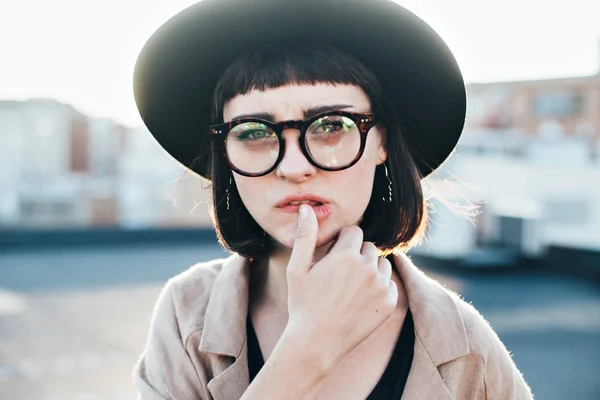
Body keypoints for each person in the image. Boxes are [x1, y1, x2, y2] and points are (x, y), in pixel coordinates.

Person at [131, 0, 534, 399]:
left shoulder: (468, 352)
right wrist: (308, 349)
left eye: (331, 126)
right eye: (253, 132)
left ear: (384, 143)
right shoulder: (186, 315)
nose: (292, 167)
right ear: (226, 157)